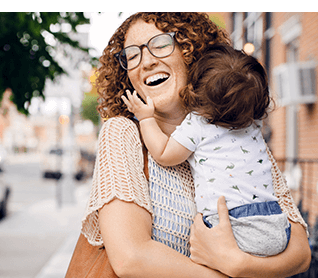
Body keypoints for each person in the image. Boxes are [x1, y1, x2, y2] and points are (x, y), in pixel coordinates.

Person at [81, 12, 310, 278]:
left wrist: (236, 263)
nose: (148, 61)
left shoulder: (238, 128)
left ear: (191, 50)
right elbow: (131, 257)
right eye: (132, 55)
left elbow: (300, 253)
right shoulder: (124, 133)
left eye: (161, 44)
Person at [122, 44, 290, 258]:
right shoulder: (252, 126)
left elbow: (164, 154)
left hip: (231, 226)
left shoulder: (199, 124)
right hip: (274, 223)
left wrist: (145, 118)